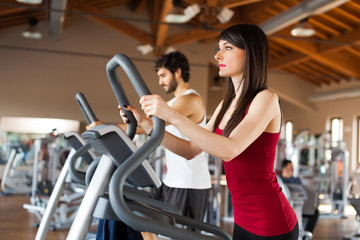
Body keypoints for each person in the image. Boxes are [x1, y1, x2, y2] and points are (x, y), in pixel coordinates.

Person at [121, 23, 299, 239]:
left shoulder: (266, 98)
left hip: (271, 222)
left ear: (250, 53)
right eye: (219, 47)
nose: (217, 55)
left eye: (227, 48)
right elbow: (189, 149)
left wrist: (171, 115)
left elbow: (230, 149)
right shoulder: (227, 103)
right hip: (242, 221)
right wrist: (147, 125)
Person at [280, 159, 320, 240]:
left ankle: (307, 234)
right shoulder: (279, 180)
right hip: (287, 205)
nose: (292, 169)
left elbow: (304, 190)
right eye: (290, 167)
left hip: (300, 203)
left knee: (315, 212)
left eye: (293, 167)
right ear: (284, 168)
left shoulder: (296, 180)